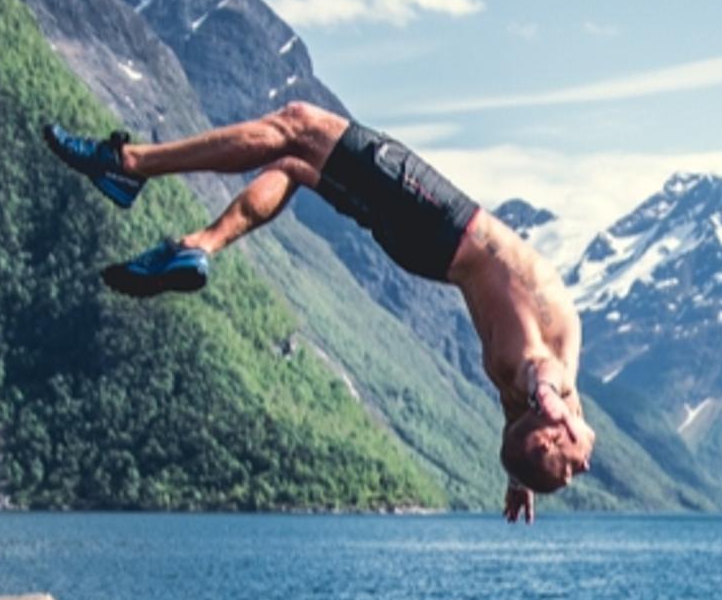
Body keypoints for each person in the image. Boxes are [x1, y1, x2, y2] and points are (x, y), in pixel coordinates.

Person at [45, 105, 594, 522]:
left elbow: (535, 373)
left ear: (547, 430)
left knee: (297, 123)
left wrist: (546, 411)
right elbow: (522, 395)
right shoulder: (533, 391)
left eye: (565, 470)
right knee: (294, 164)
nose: (582, 468)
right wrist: (520, 474)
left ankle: (128, 164)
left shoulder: (545, 380)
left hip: (444, 226)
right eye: (569, 470)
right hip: (430, 249)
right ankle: (200, 245)